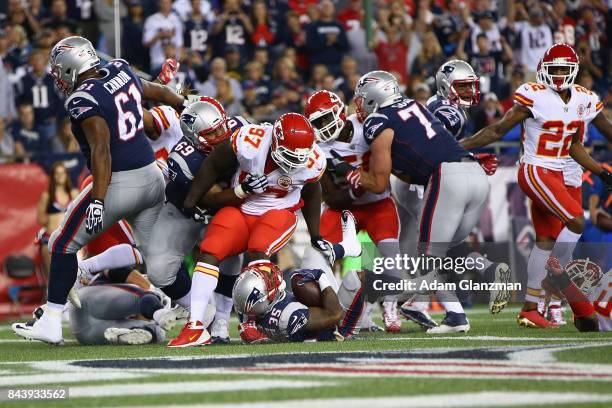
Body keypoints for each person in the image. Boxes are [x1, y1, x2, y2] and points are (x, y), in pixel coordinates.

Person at [12, 35, 185, 345]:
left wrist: (98, 200)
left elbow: (101, 150)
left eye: (58, 70)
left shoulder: (81, 99)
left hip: (119, 181)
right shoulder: (120, 69)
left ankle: (50, 322)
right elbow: (155, 90)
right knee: (159, 264)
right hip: (152, 177)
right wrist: (183, 103)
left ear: (70, 66)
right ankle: (202, 314)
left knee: (62, 241)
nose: (57, 76)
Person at [331, 70, 497, 333]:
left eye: (362, 98)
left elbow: (378, 183)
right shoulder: (415, 105)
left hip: (446, 177)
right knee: (448, 246)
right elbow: (423, 153)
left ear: (375, 96)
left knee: (430, 253)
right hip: (474, 171)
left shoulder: (378, 120)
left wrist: (347, 171)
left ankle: (447, 312)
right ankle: (475, 279)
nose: (358, 104)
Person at [460, 43, 612, 328]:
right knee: (576, 221)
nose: (556, 74)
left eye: (562, 70)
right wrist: (457, 146)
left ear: (573, 71)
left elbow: (574, 146)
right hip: (537, 169)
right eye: (552, 69)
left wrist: (600, 171)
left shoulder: (584, 99)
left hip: (561, 171)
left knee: (544, 241)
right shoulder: (535, 96)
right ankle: (557, 279)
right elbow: (497, 130)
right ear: (543, 69)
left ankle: (531, 308)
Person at [169, 113, 329, 347]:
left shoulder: (314, 160)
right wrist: (191, 201)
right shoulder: (249, 141)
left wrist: (315, 234)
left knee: (258, 252)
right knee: (209, 251)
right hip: (242, 207)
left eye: (299, 157)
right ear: (275, 141)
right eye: (288, 154)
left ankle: (252, 323)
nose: (294, 163)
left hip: (279, 212)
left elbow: (312, 193)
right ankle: (195, 326)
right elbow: (213, 163)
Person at [146, 97, 250, 345]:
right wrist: (245, 190)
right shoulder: (184, 159)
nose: (222, 134)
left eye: (221, 126)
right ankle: (203, 309)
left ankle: (223, 318)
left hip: (228, 208)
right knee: (159, 272)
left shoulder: (241, 128)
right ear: (194, 137)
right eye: (212, 132)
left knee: (230, 247)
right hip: (187, 210)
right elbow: (213, 197)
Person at [303, 90, 402, 332]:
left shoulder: (366, 126)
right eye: (318, 123)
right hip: (344, 207)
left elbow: (389, 162)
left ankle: (389, 306)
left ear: (339, 111)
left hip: (378, 203)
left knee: (390, 255)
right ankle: (334, 306)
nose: (324, 126)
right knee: (318, 253)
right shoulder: (318, 149)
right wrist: (355, 187)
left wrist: (353, 175)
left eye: (326, 118)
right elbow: (331, 197)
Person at [232, 211, 365, 342]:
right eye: (268, 283)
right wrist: (321, 277)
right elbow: (334, 314)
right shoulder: (287, 316)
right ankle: (371, 315)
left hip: (310, 310)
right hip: (337, 325)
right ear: (265, 298)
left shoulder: (247, 305)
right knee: (356, 278)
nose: (271, 276)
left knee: (315, 249)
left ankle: (349, 246)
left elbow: (248, 304)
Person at [36, 162, 78, 277]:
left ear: (66, 175)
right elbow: (40, 219)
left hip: (71, 240)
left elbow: (81, 216)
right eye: (57, 173)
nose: (60, 176)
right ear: (53, 176)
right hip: (51, 240)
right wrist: (54, 218)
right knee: (53, 277)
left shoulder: (74, 194)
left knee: (74, 276)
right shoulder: (47, 196)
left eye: (62, 173)